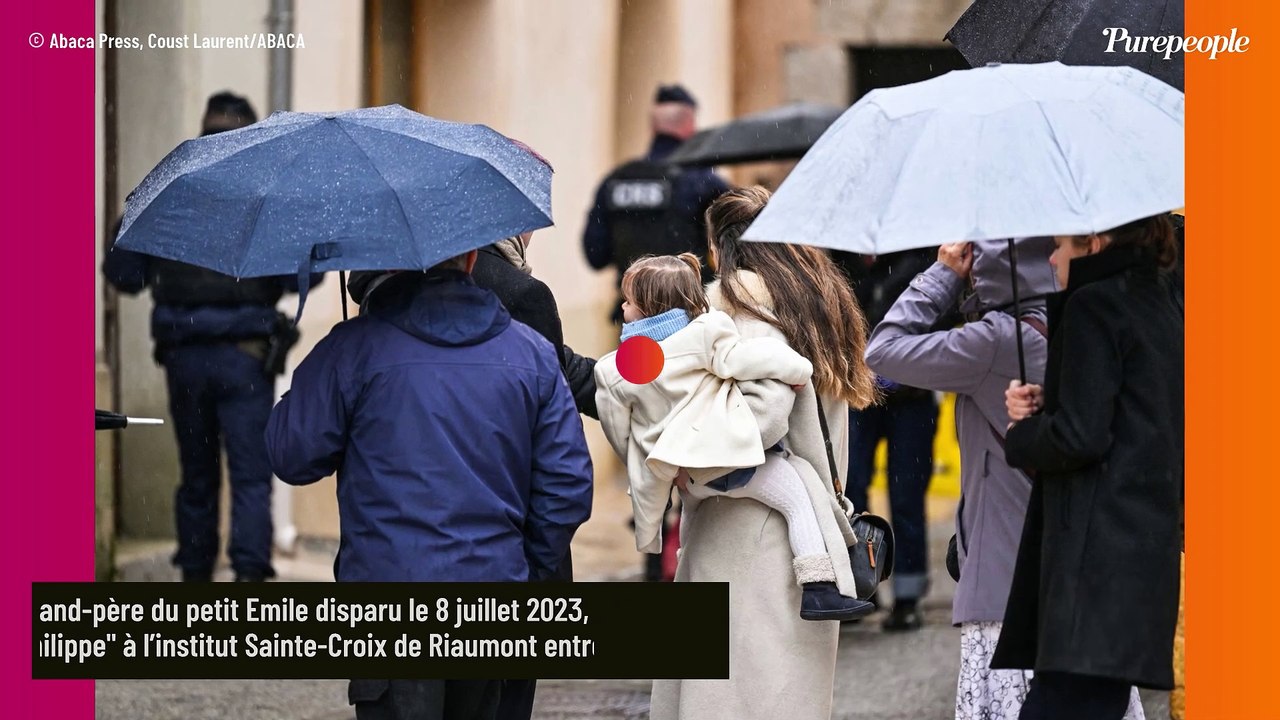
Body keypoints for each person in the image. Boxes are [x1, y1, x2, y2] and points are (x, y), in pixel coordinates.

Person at [265, 249, 594, 720]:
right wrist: (522, 568)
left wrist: (320, 378)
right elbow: (566, 487)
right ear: (473, 257)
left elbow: (291, 454)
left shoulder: (354, 348)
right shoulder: (532, 355)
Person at [650, 187, 879, 720]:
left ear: (718, 250)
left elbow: (761, 415)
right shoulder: (813, 309)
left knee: (734, 700)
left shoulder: (739, 316)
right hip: (798, 537)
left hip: (745, 533)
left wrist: (691, 469)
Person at [102, 91, 318, 583]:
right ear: (249, 133)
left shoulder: (171, 185)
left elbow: (123, 272)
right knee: (250, 477)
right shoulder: (265, 190)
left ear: (204, 128)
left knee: (196, 478)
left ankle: (196, 575)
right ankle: (247, 578)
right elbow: (300, 276)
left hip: (185, 357)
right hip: (246, 358)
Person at [595, 254, 874, 622]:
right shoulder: (704, 333)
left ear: (648, 306)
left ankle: (689, 583)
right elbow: (745, 359)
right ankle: (818, 587)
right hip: (729, 460)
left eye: (628, 299)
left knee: (694, 531)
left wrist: (653, 461)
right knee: (798, 497)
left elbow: (619, 430)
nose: (623, 305)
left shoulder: (615, 366)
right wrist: (797, 369)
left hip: (687, 474)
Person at [863, 239, 1066, 719]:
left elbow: (884, 350)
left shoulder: (996, 341)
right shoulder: (1066, 323)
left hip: (1005, 580)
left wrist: (942, 275)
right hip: (1056, 562)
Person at [997, 215, 1183, 720]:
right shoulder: (1160, 299)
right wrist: (1052, 401)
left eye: (1059, 246)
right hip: (1139, 550)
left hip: (1093, 559)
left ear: (1094, 242)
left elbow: (1080, 436)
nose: (1053, 259)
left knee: (1060, 707)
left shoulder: (1092, 305)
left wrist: (1023, 435)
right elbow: (1134, 413)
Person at [832, 247, 939, 631]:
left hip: (911, 396)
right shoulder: (838, 257)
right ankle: (861, 586)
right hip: (858, 395)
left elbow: (941, 316)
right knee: (851, 489)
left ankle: (908, 598)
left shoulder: (922, 254)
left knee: (907, 495)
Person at [583, 84, 730, 324]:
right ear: (690, 123)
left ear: (653, 125)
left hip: (634, 321)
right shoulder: (704, 182)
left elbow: (595, 255)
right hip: (692, 321)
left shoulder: (616, 180)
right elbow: (732, 251)